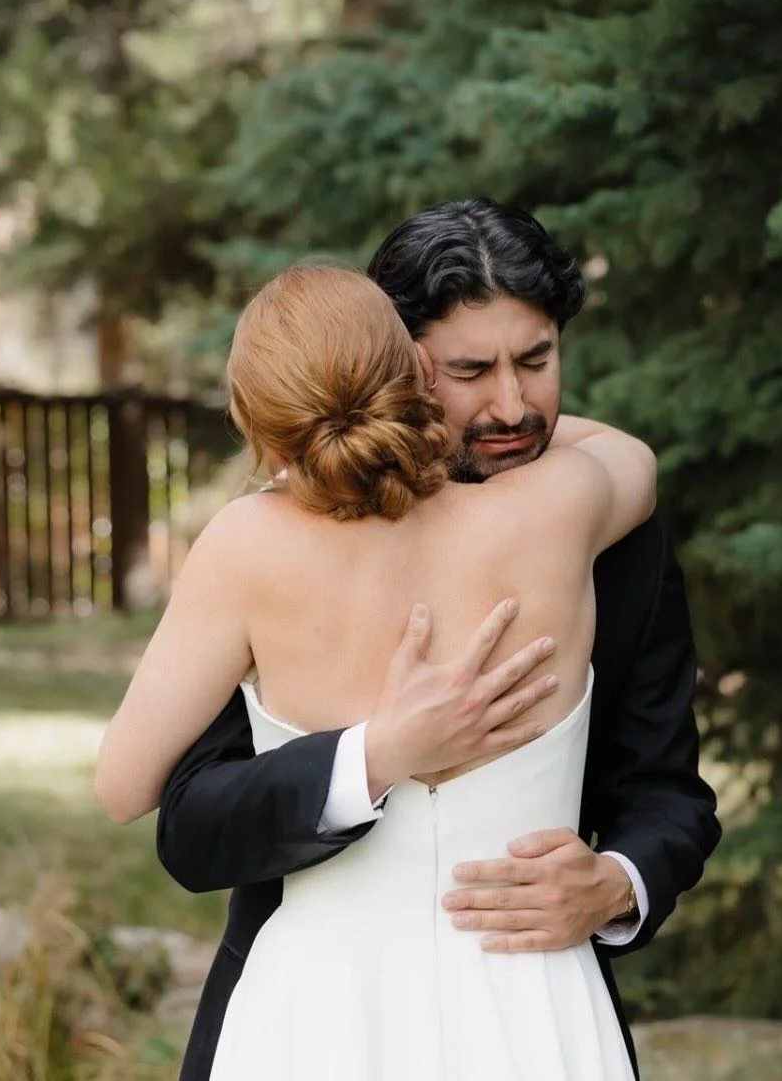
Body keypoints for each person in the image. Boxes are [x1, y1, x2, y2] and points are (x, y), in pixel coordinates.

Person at [156, 199, 721, 1079]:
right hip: (305, 1025)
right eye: (471, 370)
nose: (513, 405)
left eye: (536, 360)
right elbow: (192, 827)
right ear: (403, 367)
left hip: (529, 1019)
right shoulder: (281, 544)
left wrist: (617, 882)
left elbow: (668, 793)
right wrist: (368, 758)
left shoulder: (611, 529)